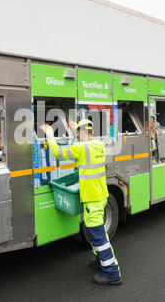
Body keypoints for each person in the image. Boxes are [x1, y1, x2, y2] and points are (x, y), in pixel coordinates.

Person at [40, 119, 122, 286]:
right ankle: (100, 261)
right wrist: (75, 129)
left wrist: (49, 134)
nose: (78, 136)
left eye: (79, 133)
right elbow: (83, 150)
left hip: (92, 199)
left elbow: (57, 152)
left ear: (82, 133)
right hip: (100, 195)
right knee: (95, 233)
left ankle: (112, 273)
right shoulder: (98, 144)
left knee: (98, 236)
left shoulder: (81, 148)